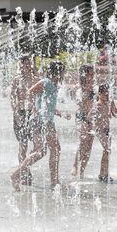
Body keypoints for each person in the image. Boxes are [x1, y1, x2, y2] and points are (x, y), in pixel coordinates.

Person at [11, 61, 71, 191]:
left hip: (45, 121)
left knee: (46, 150)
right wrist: (35, 109)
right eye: (63, 71)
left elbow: (48, 106)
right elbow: (30, 92)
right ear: (58, 72)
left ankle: (53, 182)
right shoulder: (46, 82)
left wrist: (61, 114)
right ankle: (17, 175)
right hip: (40, 121)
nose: (64, 74)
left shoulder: (52, 84)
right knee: (44, 150)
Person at [10, 55, 39, 184]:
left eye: (29, 63)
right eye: (24, 64)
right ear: (20, 65)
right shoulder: (17, 80)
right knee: (23, 145)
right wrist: (15, 113)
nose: (27, 66)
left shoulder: (35, 79)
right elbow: (12, 97)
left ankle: (24, 167)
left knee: (37, 145)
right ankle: (24, 173)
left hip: (32, 114)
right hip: (20, 113)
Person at [71, 64, 95, 179]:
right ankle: (75, 165)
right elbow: (80, 103)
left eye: (92, 74)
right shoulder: (79, 88)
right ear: (83, 75)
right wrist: (87, 91)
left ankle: (82, 171)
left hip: (92, 119)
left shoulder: (95, 88)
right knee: (83, 140)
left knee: (89, 145)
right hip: (82, 117)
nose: (91, 76)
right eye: (89, 74)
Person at [93, 84, 117, 183]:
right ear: (99, 94)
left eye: (108, 93)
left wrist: (112, 105)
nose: (106, 96)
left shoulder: (109, 103)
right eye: (104, 94)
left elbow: (116, 114)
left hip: (107, 130)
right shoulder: (97, 105)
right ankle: (104, 174)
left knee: (107, 152)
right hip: (100, 130)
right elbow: (90, 117)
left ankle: (103, 173)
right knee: (107, 150)